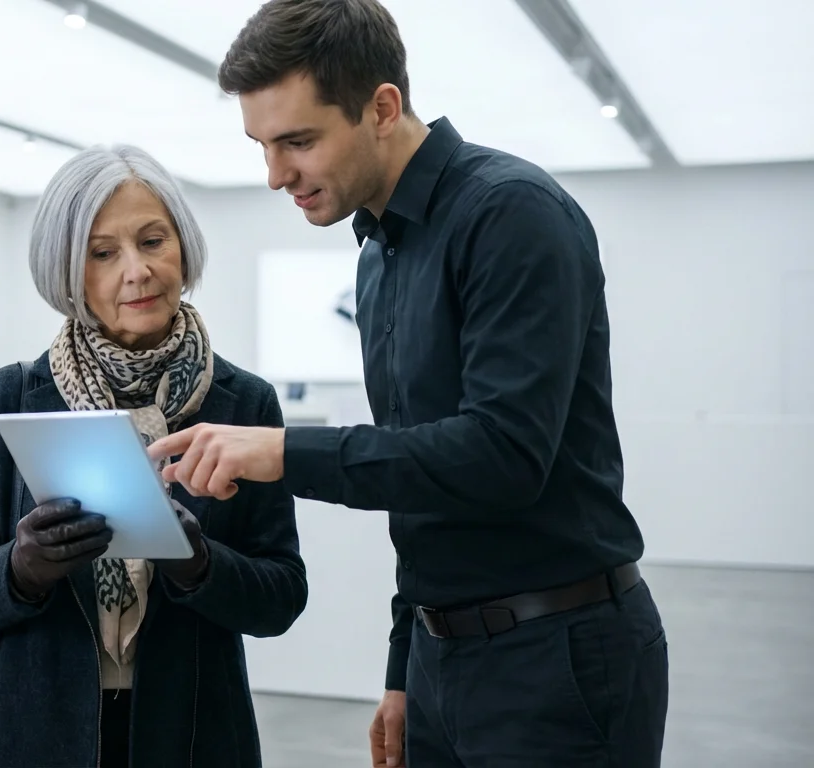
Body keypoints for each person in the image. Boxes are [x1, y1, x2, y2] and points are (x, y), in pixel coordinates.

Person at [146, 1, 669, 766]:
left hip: (558, 661)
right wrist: (405, 662)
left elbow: (502, 456)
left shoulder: (511, 214)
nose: (275, 175)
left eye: (298, 141)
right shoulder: (379, 252)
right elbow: (421, 477)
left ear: (382, 107)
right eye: (262, 145)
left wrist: (286, 453)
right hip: (443, 657)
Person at [0, 143, 308, 768]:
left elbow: (281, 597)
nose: (137, 270)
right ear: (69, 274)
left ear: (182, 248)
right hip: (31, 729)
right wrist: (20, 567)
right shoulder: (11, 397)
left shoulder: (243, 402)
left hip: (191, 731)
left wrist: (199, 564)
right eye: (103, 253)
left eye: (153, 241)